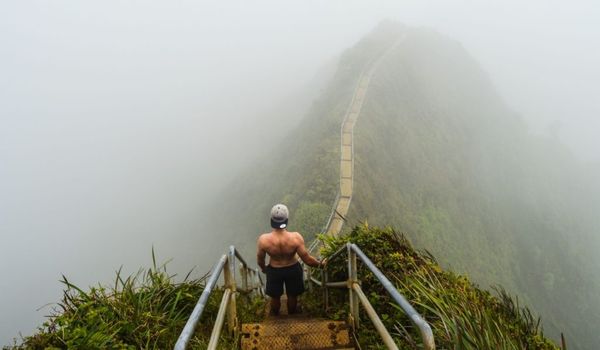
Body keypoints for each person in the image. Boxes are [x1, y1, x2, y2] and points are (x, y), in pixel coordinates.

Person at [257, 203, 324, 315]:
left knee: (275, 296)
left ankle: (275, 316)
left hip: (274, 270)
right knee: (292, 295)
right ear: (286, 220)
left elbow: (260, 259)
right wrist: (321, 264)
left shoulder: (263, 240)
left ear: (272, 220)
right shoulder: (295, 238)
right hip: (293, 268)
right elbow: (307, 259)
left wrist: (264, 269)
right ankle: (292, 314)